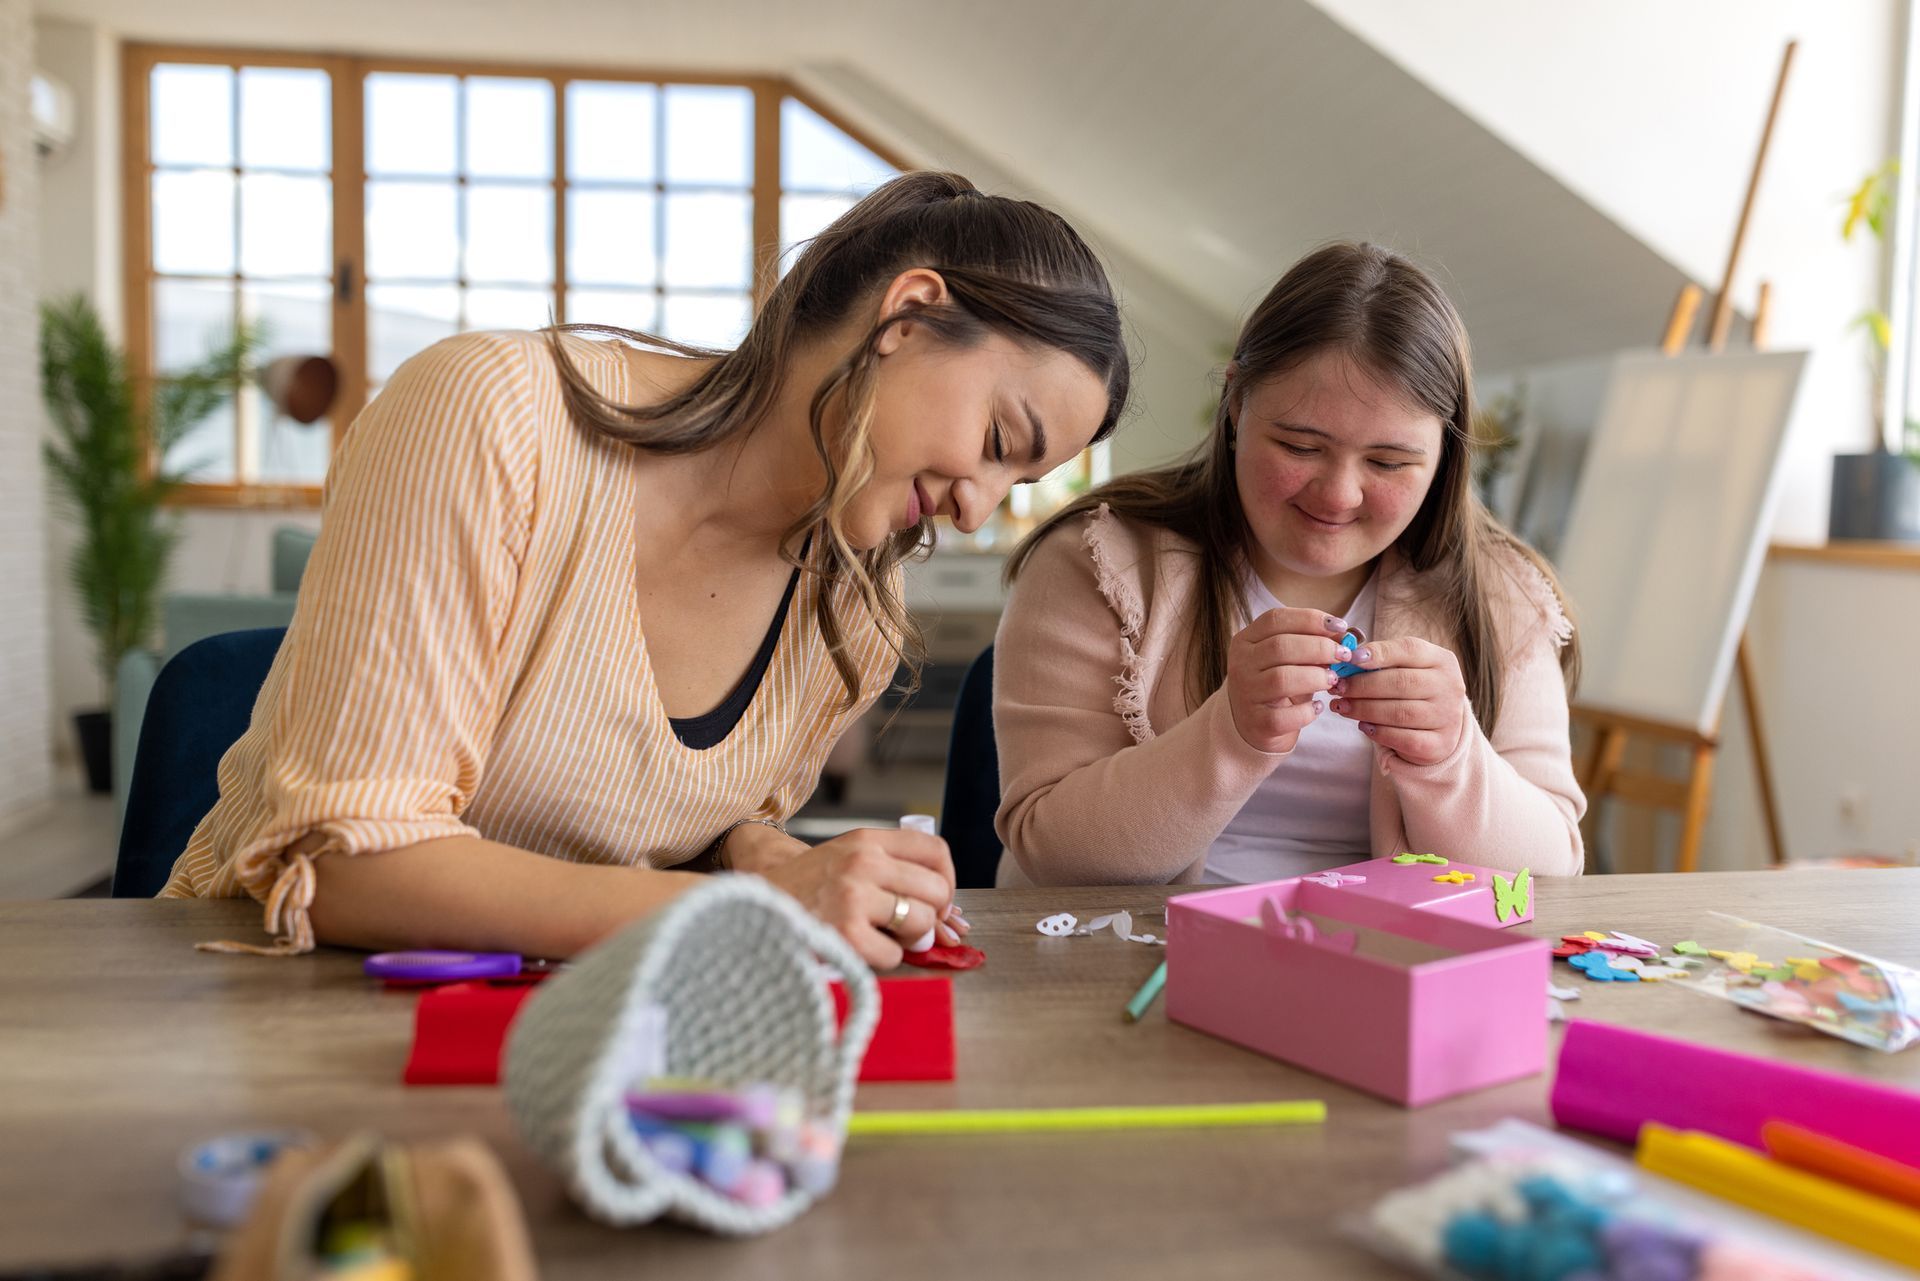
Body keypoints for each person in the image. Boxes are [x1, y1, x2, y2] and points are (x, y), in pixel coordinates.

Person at [160, 172, 1129, 966]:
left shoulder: (854, 609)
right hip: (262, 1004)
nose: (978, 507)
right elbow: (346, 867)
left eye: (1022, 479)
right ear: (907, 317)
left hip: (564, 1031)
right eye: (1001, 438)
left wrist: (762, 854)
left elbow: (671, 822)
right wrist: (752, 914)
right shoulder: (493, 418)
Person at [993, 242, 1583, 887]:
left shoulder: (1503, 596)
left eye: (1388, 463)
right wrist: (1231, 732)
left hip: (1394, 966)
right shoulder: (1100, 561)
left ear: (1444, 452)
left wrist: (1452, 757)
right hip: (1135, 964)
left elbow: (1553, 870)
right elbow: (1050, 850)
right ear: (1238, 403)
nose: (1337, 495)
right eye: (1300, 445)